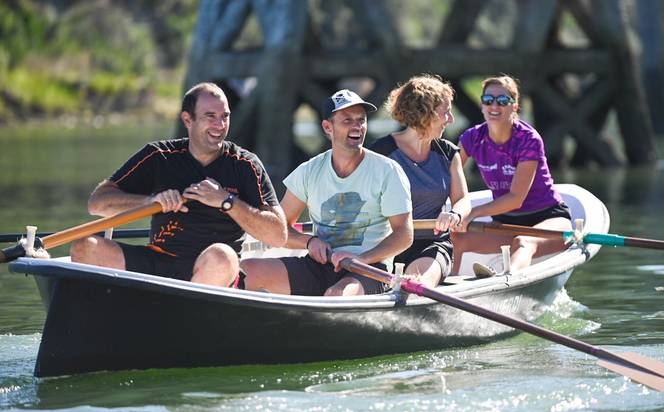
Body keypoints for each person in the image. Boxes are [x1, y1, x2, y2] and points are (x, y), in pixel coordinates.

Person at [70, 82, 288, 286]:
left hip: (212, 268)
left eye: (225, 116)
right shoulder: (159, 155)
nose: (220, 125)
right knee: (85, 248)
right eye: (210, 116)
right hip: (157, 259)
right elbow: (97, 204)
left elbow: (278, 235)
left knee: (223, 256)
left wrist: (226, 201)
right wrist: (150, 201)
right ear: (187, 120)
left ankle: (181, 317)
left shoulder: (245, 164)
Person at [240, 89, 413, 296]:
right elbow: (279, 230)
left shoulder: (388, 170)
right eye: (347, 120)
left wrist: (363, 258)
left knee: (336, 295)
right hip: (320, 266)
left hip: (370, 269)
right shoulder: (309, 171)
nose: (357, 126)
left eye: (361, 120)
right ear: (327, 127)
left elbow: (404, 234)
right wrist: (309, 242)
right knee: (244, 271)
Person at [451, 75, 572, 276]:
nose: (494, 106)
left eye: (503, 101)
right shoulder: (472, 137)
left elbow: (516, 199)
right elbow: (448, 177)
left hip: (548, 218)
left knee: (523, 241)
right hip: (507, 224)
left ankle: (505, 280)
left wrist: (472, 213)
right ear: (482, 106)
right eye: (488, 100)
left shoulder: (528, 140)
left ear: (515, 106)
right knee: (456, 239)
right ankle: (445, 290)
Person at [370, 75, 471, 287]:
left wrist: (455, 214)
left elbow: (462, 199)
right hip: (387, 245)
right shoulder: (381, 154)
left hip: (431, 246)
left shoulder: (448, 153)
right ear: (425, 114)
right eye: (446, 112)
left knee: (416, 285)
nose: (451, 119)